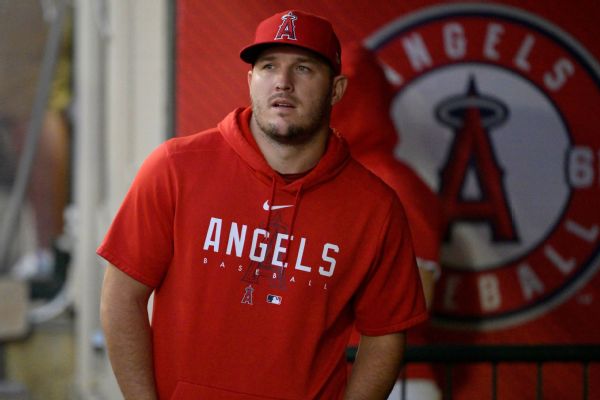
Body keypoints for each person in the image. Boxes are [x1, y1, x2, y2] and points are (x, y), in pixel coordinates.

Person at [98, 9, 428, 400]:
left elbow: (386, 332)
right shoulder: (175, 167)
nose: (283, 83)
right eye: (269, 66)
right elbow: (121, 299)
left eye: (304, 68)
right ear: (251, 80)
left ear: (337, 90)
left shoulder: (376, 206)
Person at [332, 42, 444, 400]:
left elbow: (419, 294)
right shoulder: (334, 178)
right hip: (347, 374)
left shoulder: (392, 183)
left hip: (392, 381)